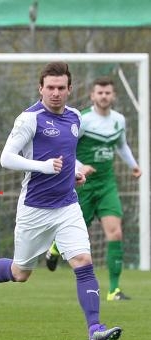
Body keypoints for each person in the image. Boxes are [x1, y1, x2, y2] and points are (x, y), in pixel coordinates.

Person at [0, 62, 122, 340]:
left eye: (61, 88)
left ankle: (95, 329)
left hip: (67, 206)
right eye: (50, 87)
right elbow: (6, 158)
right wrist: (43, 167)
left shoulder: (74, 117)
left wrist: (75, 171)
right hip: (35, 208)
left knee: (83, 262)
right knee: (21, 273)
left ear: (70, 89)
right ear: (41, 88)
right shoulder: (29, 119)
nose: (56, 93)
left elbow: (66, 155)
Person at [45, 77, 141, 301]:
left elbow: (121, 145)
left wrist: (133, 165)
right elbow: (66, 147)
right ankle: (55, 249)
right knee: (78, 230)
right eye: (100, 93)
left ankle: (114, 290)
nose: (104, 96)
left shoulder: (119, 120)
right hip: (84, 185)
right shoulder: (83, 120)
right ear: (92, 95)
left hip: (107, 184)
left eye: (108, 93)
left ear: (113, 96)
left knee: (115, 232)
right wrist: (79, 167)